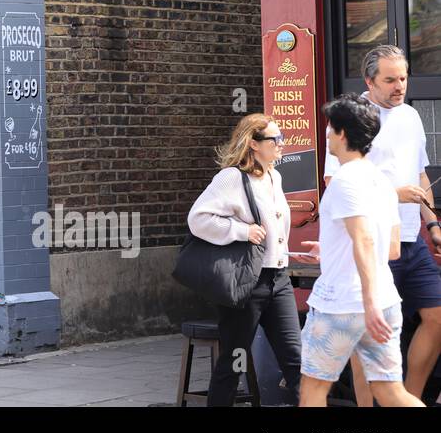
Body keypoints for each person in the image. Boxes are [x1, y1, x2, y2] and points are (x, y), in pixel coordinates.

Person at [322, 45, 441, 404]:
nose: (399, 86)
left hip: (411, 239)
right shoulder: (350, 117)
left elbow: (419, 176)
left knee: (436, 318)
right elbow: (336, 181)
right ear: (369, 81)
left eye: (403, 78)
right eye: (390, 80)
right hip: (372, 242)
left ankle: (409, 399)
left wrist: (433, 223)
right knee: (370, 337)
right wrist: (393, 194)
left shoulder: (410, 116)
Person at [297, 95, 422, 407]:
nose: (326, 135)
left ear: (342, 134)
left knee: (313, 391)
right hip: (385, 303)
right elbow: (390, 249)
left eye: (330, 128)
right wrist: (331, 249)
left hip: (342, 305)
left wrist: (367, 303)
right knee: (391, 392)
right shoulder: (382, 181)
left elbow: (364, 240)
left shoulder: (343, 181)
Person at [187, 114, 302, 406]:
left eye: (281, 138)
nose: (281, 144)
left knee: (297, 361)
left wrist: (286, 252)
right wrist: (242, 230)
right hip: (247, 283)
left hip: (278, 280)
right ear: (253, 143)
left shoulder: (275, 176)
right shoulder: (232, 178)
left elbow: (273, 228)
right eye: (274, 140)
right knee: (233, 363)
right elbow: (198, 219)